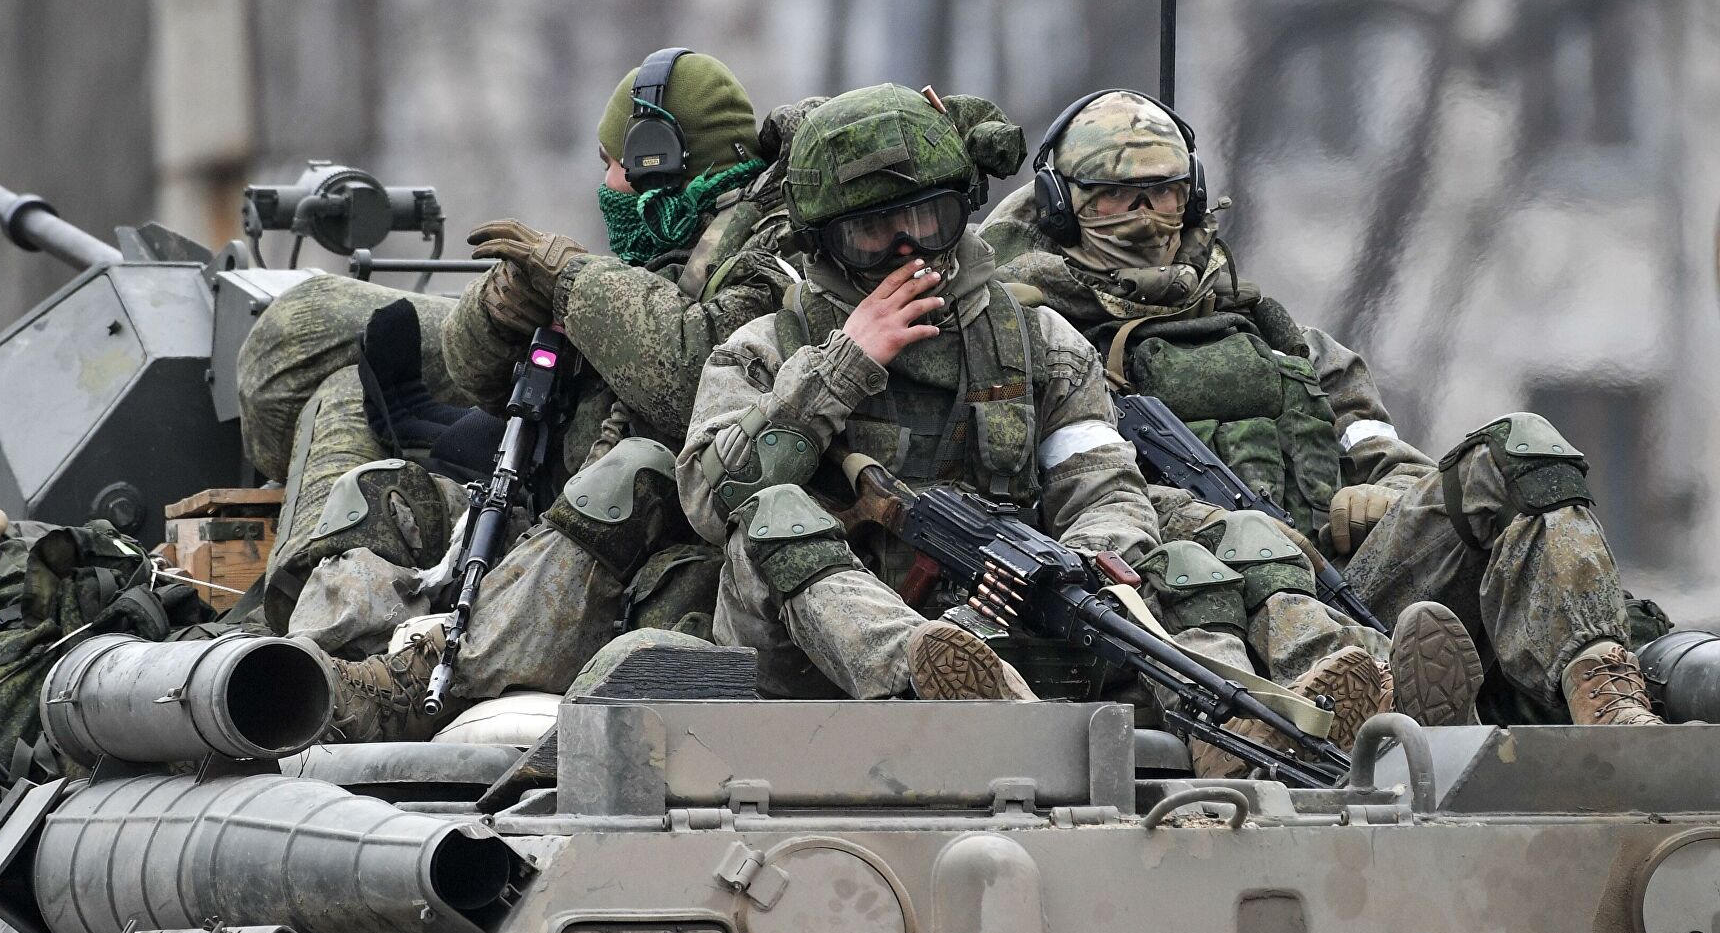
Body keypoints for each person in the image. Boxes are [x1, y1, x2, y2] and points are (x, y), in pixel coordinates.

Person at [675, 82, 1389, 753]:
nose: (907, 248)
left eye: (927, 219)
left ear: (959, 213)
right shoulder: (767, 350)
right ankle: (923, 669)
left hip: (1013, 624)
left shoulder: (1038, 344)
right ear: (824, 243)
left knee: (1183, 553)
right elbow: (712, 501)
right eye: (872, 233)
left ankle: (1254, 721)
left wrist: (1080, 570)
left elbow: (1104, 489)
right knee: (775, 519)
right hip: (812, 664)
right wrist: (842, 368)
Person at [989, 88, 1661, 728]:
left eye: (1162, 192)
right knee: (1242, 544)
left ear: (1190, 198)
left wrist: (1382, 498)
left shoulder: (1289, 347)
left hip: (1350, 591)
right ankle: (1385, 694)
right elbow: (1075, 509)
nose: (1144, 215)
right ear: (1061, 206)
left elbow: (1393, 462)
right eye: (1114, 196)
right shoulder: (1033, 347)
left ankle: (1600, 690)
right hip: (1192, 624)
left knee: (1519, 449)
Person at [322, 48, 804, 742]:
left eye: (614, 162)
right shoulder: (655, 257)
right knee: (379, 495)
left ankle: (417, 682)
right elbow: (478, 381)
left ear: (659, 161)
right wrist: (501, 314)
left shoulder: (769, 257)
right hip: (547, 520)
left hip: (650, 553)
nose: (605, 182)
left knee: (629, 472)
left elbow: (690, 379)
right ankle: (308, 668)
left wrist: (574, 280)